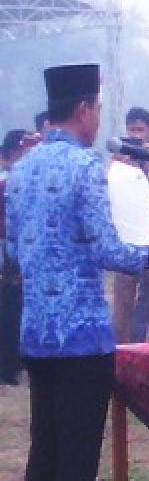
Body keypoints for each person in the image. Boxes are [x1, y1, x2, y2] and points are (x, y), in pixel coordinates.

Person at [6, 63, 149, 481]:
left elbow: (12, 252)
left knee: (44, 456)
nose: (99, 119)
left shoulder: (22, 171)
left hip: (37, 335)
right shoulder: (84, 168)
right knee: (77, 462)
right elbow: (105, 249)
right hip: (81, 336)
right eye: (97, 110)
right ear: (84, 110)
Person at [111, 107, 149, 344]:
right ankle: (122, 353)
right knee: (123, 303)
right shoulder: (119, 158)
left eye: (140, 129)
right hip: (126, 238)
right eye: (132, 129)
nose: (136, 134)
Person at [0, 129, 38, 385]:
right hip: (7, 250)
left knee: (15, 308)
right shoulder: (8, 180)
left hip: (16, 249)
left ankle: (13, 363)